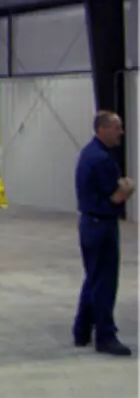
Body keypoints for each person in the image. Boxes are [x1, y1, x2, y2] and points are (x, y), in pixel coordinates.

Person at [73, 109, 135, 356]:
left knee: (93, 278)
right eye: (116, 127)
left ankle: (82, 330)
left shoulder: (89, 153)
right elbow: (116, 195)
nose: (121, 132)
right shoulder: (102, 159)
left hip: (89, 224)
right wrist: (128, 189)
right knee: (104, 283)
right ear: (102, 129)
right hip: (102, 225)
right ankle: (105, 336)